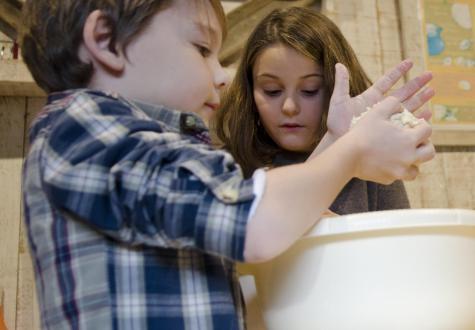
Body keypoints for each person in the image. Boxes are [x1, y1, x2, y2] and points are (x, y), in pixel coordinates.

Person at [20, 1, 434, 329]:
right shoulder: (84, 133)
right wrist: (352, 153)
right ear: (107, 41)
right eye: (202, 49)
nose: (221, 75)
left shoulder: (128, 142)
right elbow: (253, 221)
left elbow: (253, 214)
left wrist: (337, 142)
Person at [214, 7, 436, 215]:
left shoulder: (371, 159)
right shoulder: (221, 167)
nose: (289, 107)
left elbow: (395, 247)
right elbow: (259, 237)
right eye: (272, 91)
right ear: (250, 91)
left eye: (310, 91)